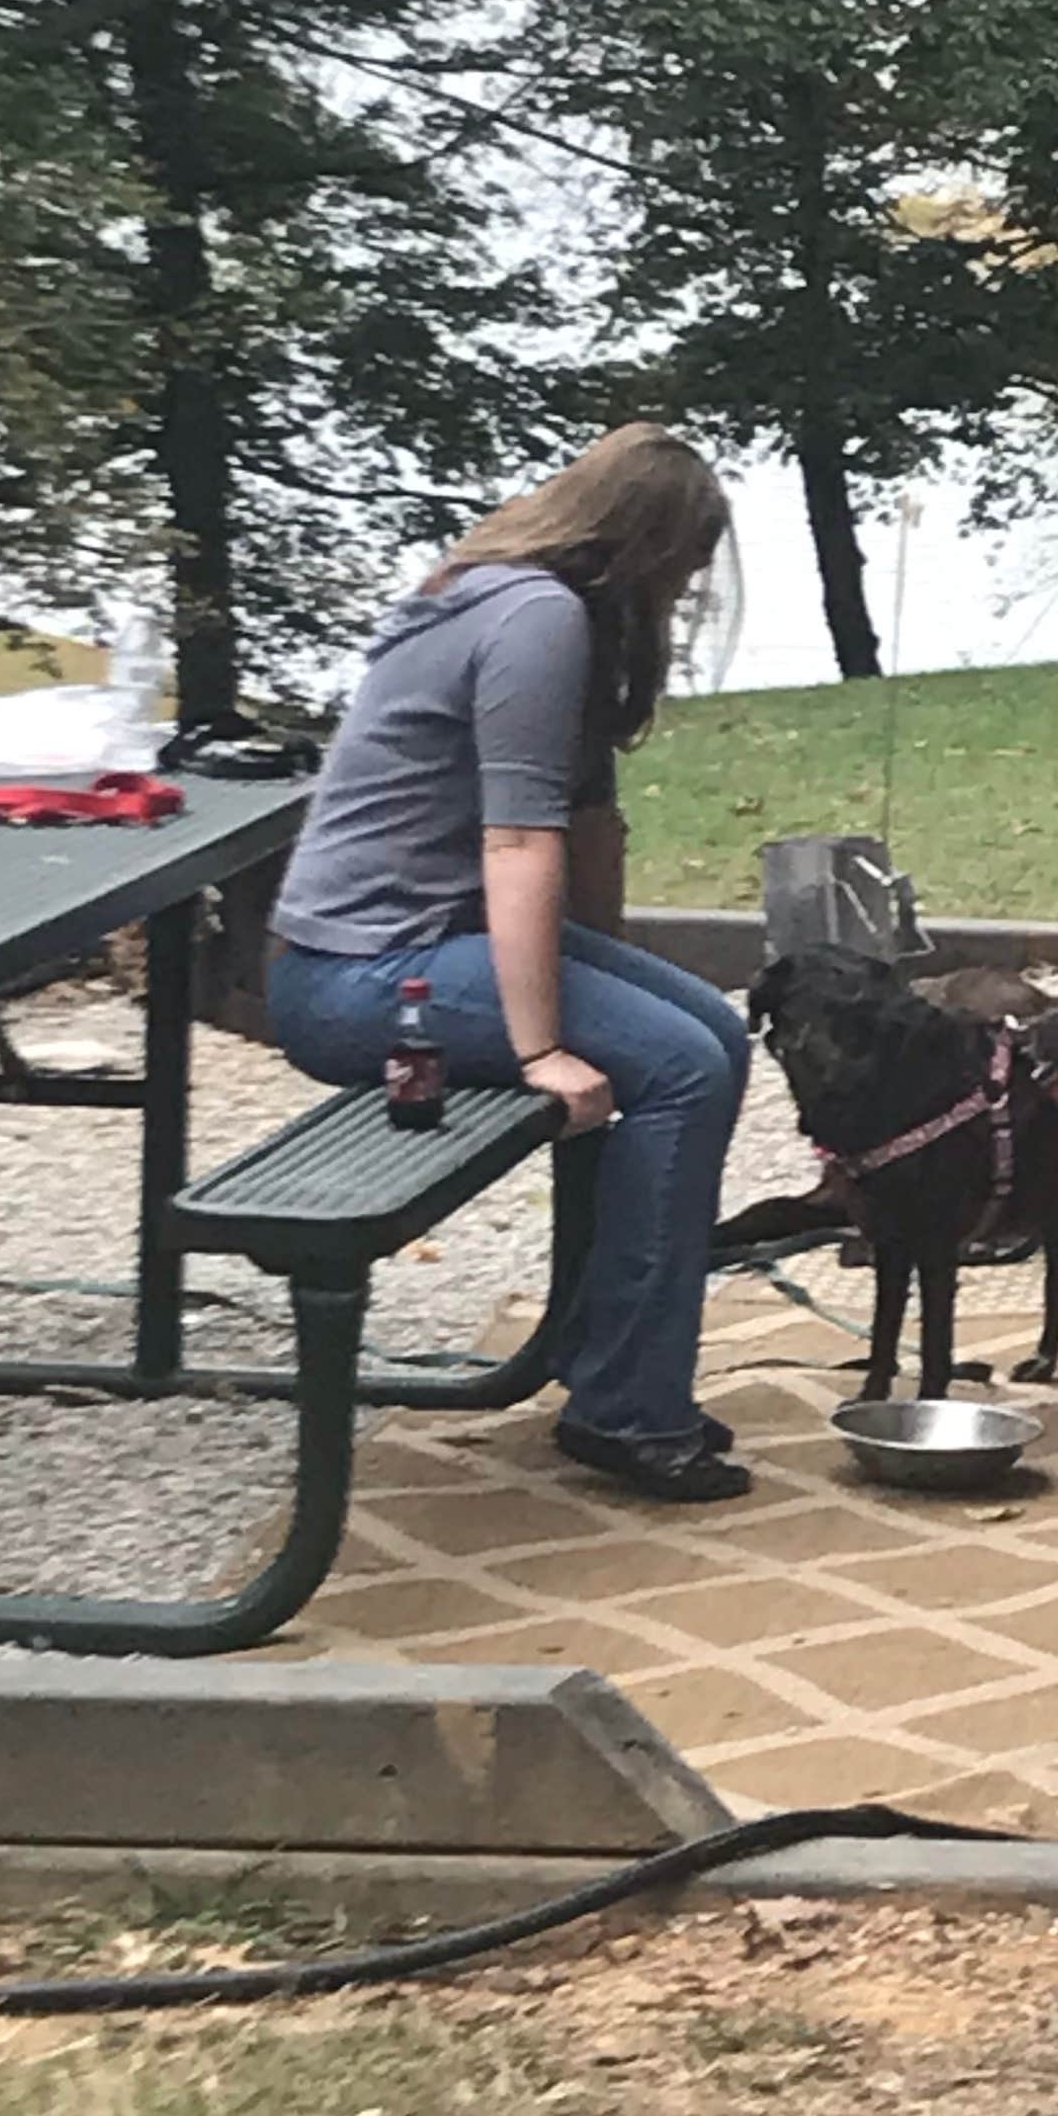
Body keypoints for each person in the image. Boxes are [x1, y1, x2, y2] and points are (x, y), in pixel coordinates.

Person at [267, 423, 756, 1505]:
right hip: (361, 975)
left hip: (443, 945)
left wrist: (609, 990)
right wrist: (543, 1047)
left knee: (712, 1034)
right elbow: (521, 841)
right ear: (644, 543)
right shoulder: (533, 617)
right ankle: (627, 1410)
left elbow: (585, 829)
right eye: (687, 561)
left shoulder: (527, 602)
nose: (691, 588)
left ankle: (611, 1362)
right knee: (682, 1068)